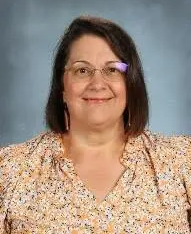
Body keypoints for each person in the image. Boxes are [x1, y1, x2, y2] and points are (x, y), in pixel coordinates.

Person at [0, 16, 190, 233]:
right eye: (82, 70)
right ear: (62, 87)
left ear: (131, 83)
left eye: (112, 70)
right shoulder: (9, 171)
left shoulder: (183, 162)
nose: (97, 84)